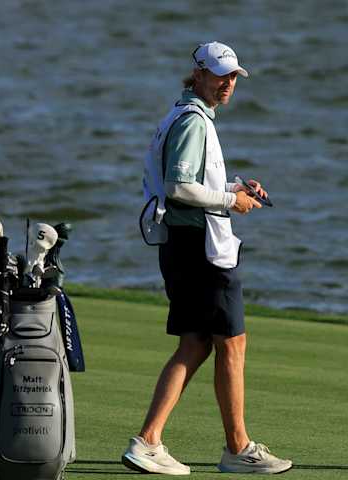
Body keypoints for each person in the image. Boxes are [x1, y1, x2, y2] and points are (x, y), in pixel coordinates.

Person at [123, 41, 292, 475]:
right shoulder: (194, 122)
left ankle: (149, 440)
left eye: (233, 76)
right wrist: (230, 201)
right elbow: (180, 187)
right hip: (201, 248)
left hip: (184, 243)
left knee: (196, 343)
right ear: (197, 74)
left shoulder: (184, 117)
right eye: (220, 75)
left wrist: (235, 187)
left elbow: (186, 183)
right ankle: (237, 449)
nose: (228, 83)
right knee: (231, 342)